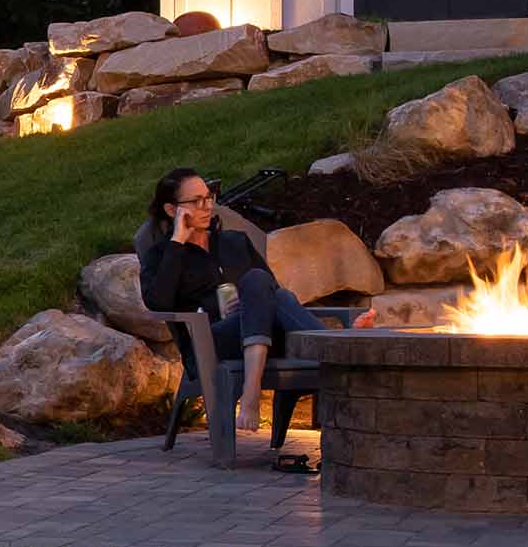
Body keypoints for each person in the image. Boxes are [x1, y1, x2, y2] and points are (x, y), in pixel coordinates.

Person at [134, 167, 364, 429]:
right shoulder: (162, 255)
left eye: (209, 197)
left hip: (258, 331)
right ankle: (337, 344)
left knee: (259, 282)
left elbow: (271, 293)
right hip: (210, 341)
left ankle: (253, 390)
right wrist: (177, 241)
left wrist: (251, 302)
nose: (208, 206)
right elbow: (158, 303)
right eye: (196, 201)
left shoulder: (234, 242)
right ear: (172, 210)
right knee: (263, 286)